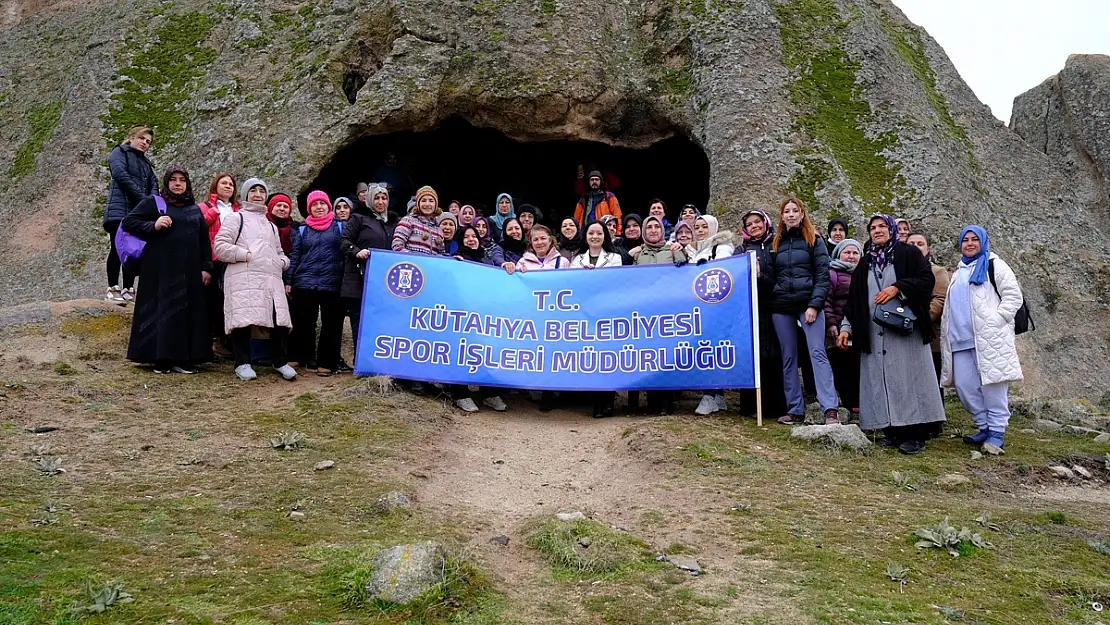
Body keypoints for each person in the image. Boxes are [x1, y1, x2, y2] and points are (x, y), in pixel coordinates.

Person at [837, 215, 945, 454]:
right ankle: (893, 431)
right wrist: (846, 328)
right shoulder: (865, 263)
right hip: (875, 334)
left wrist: (899, 287)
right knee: (881, 381)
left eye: (882, 226)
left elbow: (926, 281)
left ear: (892, 229)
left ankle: (916, 435)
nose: (877, 231)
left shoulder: (908, 254)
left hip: (906, 332)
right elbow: (853, 302)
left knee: (909, 380)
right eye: (873, 228)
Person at [940, 226, 1023, 454]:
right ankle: (984, 426)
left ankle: (996, 432)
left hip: (989, 339)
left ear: (983, 242)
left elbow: (1013, 296)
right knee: (965, 388)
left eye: (974, 239)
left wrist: (997, 321)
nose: (969, 243)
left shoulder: (994, 264)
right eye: (965, 240)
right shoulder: (959, 271)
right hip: (960, 340)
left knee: (993, 388)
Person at [122, 166, 210, 372]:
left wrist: (206, 267)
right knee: (161, 311)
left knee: (186, 313)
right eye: (173, 180)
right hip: (159, 271)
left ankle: (183, 359)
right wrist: (154, 225)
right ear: (166, 183)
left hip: (189, 271)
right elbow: (129, 222)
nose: (178, 184)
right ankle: (161, 359)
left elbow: (204, 241)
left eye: (182, 180)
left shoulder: (194, 209)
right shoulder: (154, 203)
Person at [213, 178, 296, 382]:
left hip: (270, 279)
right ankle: (242, 362)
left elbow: (280, 251)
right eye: (253, 191)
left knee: (278, 320)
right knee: (242, 320)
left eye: (261, 191)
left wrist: (283, 262)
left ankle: (279, 361)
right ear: (245, 195)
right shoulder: (235, 218)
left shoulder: (270, 225)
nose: (258, 195)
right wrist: (246, 255)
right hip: (244, 277)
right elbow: (220, 246)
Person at [769, 197, 839, 426]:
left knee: (817, 352)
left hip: (807, 304)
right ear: (781, 216)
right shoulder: (776, 242)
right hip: (781, 306)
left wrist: (814, 305)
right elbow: (772, 275)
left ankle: (830, 407)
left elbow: (822, 275)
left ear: (801, 214)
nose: (790, 215)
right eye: (786, 211)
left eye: (794, 211)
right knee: (789, 356)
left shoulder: (814, 240)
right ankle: (795, 409)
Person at [447, 225, 509, 412]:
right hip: (463, 315)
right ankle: (461, 394)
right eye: (466, 237)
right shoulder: (456, 258)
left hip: (485, 315)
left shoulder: (486, 259)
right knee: (462, 353)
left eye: (474, 236)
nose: (471, 239)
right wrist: (452, 262)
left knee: (487, 353)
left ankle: (490, 393)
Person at [286, 191, 345, 376]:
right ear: (309, 208)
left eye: (322, 204)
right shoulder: (303, 229)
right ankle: (299, 356)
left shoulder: (340, 227)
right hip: (304, 281)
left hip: (333, 281)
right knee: (302, 321)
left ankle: (327, 362)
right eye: (314, 204)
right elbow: (295, 256)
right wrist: (289, 280)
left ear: (329, 206)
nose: (319, 207)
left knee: (332, 324)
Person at [568, 220, 622, 417]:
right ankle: (593, 398)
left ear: (605, 236)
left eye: (599, 233)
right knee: (592, 356)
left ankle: (606, 400)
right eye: (591, 233)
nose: (595, 237)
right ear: (586, 236)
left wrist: (597, 275)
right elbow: (572, 284)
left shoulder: (615, 258)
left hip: (607, 314)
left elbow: (616, 282)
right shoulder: (577, 259)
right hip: (585, 314)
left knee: (607, 357)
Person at [634, 216, 686, 415]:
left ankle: (667, 402)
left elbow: (685, 270)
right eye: (649, 227)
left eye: (657, 226)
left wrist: (679, 252)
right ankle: (652, 401)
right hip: (647, 312)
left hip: (668, 311)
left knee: (667, 356)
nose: (653, 230)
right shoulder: (639, 255)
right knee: (649, 357)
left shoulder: (672, 250)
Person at [738, 210, 786, 418]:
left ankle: (775, 406)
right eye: (749, 224)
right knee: (753, 354)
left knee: (774, 354)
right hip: (750, 309)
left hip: (774, 306)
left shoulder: (777, 245)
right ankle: (750, 406)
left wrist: (761, 276)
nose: (754, 226)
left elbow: (781, 277)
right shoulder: (741, 249)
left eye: (757, 221)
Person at [341, 183, 396, 361]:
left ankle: (378, 359)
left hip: (383, 281)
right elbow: (344, 241)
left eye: (384, 198)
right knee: (360, 319)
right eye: (377, 198)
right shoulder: (358, 218)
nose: (380, 201)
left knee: (381, 320)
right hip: (359, 277)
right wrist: (357, 251)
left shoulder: (394, 221)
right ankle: (361, 360)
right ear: (370, 199)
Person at [104, 126, 158, 304]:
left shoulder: (146, 164)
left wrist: (151, 202)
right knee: (117, 248)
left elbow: (153, 184)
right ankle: (113, 288)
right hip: (120, 210)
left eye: (148, 141)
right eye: (142, 138)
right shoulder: (119, 152)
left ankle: (128, 289)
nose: (144, 143)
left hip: (137, 213)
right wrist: (144, 199)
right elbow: (120, 175)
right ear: (131, 138)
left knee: (133, 249)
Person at [689, 215, 736, 415]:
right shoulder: (693, 249)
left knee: (712, 350)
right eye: (697, 227)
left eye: (704, 227)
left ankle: (711, 394)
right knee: (704, 349)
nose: (700, 230)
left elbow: (722, 268)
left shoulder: (722, 247)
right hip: (698, 307)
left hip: (716, 308)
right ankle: (718, 396)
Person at [198, 173, 240, 358]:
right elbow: (199, 228)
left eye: (231, 184)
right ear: (215, 186)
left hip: (232, 261)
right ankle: (213, 342)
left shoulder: (238, 210)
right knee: (212, 301)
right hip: (213, 261)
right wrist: (214, 210)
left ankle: (226, 341)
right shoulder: (205, 206)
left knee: (229, 301)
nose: (228, 186)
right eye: (224, 183)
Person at [825, 239, 862, 418]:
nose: (851, 256)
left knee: (857, 365)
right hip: (838, 328)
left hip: (859, 328)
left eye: (855, 253)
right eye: (847, 252)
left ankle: (857, 402)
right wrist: (831, 323)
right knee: (841, 365)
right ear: (838, 254)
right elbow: (827, 300)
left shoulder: (865, 274)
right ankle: (846, 402)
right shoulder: (832, 274)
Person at [908, 232, 949, 382]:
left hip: (931, 336)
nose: (916, 247)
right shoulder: (897, 271)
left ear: (928, 249)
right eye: (911, 244)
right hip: (905, 336)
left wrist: (916, 317)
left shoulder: (937, 272)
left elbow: (940, 300)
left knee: (933, 384)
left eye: (920, 244)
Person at [392, 186, 445, 255]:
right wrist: (415, 259)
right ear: (418, 204)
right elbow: (396, 245)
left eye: (431, 201)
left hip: (431, 265)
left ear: (436, 204)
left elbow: (442, 255)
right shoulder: (408, 221)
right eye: (423, 200)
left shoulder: (438, 229)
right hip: (412, 264)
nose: (427, 204)